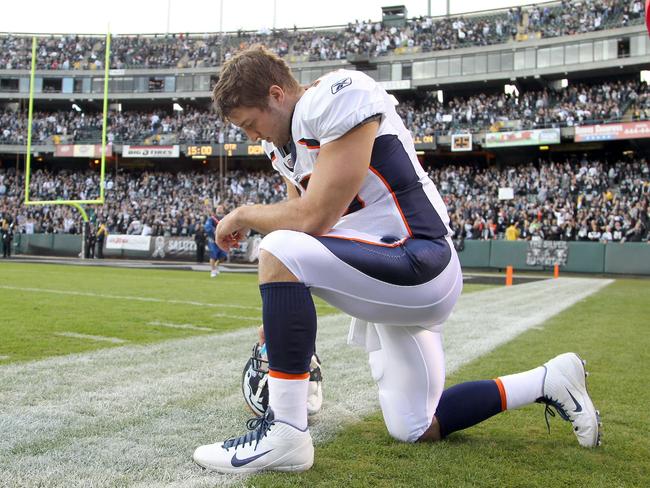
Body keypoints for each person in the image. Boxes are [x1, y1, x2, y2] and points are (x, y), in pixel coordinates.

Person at [193, 46, 601, 474]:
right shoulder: (283, 147)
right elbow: (303, 229)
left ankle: (286, 433)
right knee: (415, 425)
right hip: (385, 274)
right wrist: (275, 325)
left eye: (250, 124)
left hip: (420, 260)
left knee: (275, 246)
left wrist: (242, 215)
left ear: (276, 95)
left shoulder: (336, 95)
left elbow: (314, 217)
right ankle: (549, 379)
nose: (251, 136)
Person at [204, 207, 228, 277]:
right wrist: (215, 231)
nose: (219, 210)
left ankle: (216, 265)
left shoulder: (226, 219)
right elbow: (207, 227)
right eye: (218, 209)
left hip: (223, 240)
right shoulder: (212, 219)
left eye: (221, 209)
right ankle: (213, 270)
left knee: (223, 256)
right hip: (213, 240)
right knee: (213, 255)